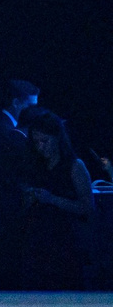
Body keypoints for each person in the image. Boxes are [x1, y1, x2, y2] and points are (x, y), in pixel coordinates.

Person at [16, 109, 97, 290]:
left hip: (65, 241)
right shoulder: (35, 166)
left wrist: (52, 199)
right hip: (37, 240)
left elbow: (87, 206)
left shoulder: (74, 166)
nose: (40, 147)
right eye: (36, 142)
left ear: (57, 138)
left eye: (45, 141)